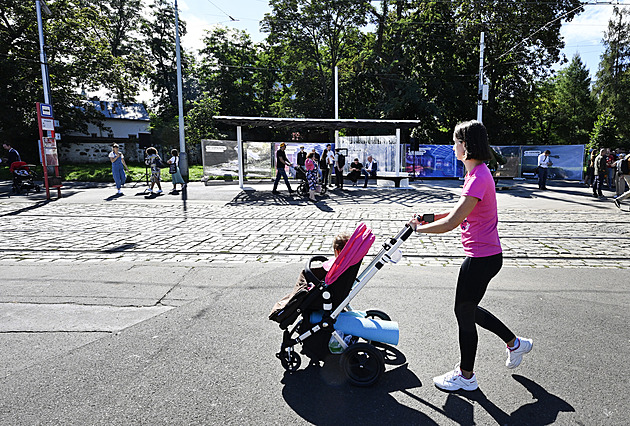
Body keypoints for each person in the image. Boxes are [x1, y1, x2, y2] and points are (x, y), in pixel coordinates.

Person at [409, 120, 533, 392]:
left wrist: (420, 230)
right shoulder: (476, 173)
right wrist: (426, 217)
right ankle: (515, 344)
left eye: (456, 142)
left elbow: (452, 223)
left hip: (481, 258)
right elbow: (457, 211)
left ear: (467, 146)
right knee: (467, 310)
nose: (453, 146)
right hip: (484, 256)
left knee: (464, 312)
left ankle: (466, 376)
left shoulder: (478, 177)